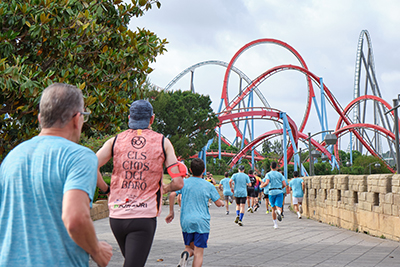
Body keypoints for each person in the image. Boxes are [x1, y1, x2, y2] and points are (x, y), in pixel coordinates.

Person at [0, 83, 113, 266]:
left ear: (39, 118)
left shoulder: (12, 158)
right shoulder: (80, 157)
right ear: (77, 119)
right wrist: (97, 250)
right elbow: (75, 217)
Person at [96, 99, 185, 267]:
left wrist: (106, 189)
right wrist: (166, 187)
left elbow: (90, 165)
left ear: (129, 118)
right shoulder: (163, 142)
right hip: (144, 217)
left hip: (116, 217)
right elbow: (179, 182)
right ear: (152, 119)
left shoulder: (115, 141)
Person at [166, 158, 224, 267]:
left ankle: (185, 254)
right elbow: (218, 203)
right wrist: (222, 203)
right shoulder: (208, 185)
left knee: (189, 248)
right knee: (198, 253)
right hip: (202, 222)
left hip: (186, 221)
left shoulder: (183, 183)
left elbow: (172, 194)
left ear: (190, 170)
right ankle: (186, 255)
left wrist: (171, 212)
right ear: (204, 170)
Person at [261, 161, 287, 229]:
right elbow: (284, 184)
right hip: (279, 191)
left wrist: (262, 186)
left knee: (273, 208)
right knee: (279, 206)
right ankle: (279, 212)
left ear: (270, 167)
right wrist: (280, 188)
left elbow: (266, 183)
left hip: (271, 192)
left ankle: (275, 224)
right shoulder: (280, 174)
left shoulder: (268, 174)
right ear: (277, 167)